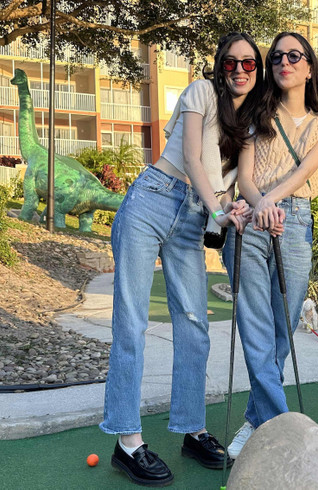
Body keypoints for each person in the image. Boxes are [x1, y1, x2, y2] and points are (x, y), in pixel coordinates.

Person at [100, 33, 263, 486]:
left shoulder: (250, 123)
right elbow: (192, 157)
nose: (239, 70)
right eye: (230, 62)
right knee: (131, 323)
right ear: (219, 66)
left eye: (249, 64)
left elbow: (238, 181)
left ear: (258, 70)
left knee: (193, 324)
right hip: (153, 199)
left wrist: (245, 207)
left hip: (194, 216)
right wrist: (218, 207)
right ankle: (127, 442)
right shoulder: (200, 92)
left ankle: (192, 429)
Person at [222, 32, 318, 458]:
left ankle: (256, 419)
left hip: (295, 219)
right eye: (276, 57)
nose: (284, 62)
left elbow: (307, 168)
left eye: (294, 55)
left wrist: (273, 201)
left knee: (281, 331)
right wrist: (260, 205)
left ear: (309, 66)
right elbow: (247, 178)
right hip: (252, 220)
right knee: (255, 326)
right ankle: (284, 426)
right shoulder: (258, 114)